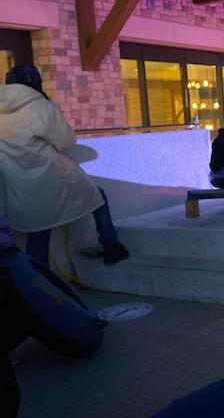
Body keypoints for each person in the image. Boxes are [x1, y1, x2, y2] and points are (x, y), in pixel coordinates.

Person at [0, 65, 128, 268]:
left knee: (38, 234)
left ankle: (39, 282)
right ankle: (111, 246)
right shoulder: (42, 107)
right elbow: (66, 142)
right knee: (97, 197)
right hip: (53, 178)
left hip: (18, 188)